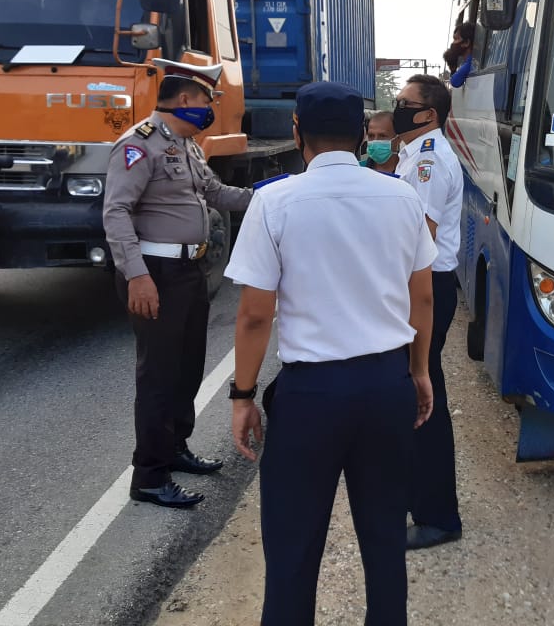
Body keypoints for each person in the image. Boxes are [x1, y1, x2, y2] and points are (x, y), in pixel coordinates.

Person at [226, 82, 436, 626]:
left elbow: (254, 315)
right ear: (365, 136)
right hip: (385, 387)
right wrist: (417, 372)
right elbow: (422, 298)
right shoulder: (403, 197)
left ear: (297, 133)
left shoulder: (274, 202)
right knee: (385, 540)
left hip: (310, 397)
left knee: (293, 550)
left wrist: (243, 395)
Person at [103, 57, 253, 509]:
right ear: (186, 99)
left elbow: (217, 194)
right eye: (208, 99)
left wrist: (279, 195)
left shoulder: (187, 145)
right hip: (156, 275)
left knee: (187, 368)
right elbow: (116, 213)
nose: (211, 108)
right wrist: (137, 277)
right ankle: (149, 475)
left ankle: (175, 448)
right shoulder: (138, 145)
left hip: (190, 272)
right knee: (158, 377)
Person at [392, 73, 465, 549]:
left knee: (424, 399)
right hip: (422, 284)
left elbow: (420, 237)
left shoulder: (429, 161)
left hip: (426, 286)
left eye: (405, 103)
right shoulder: (413, 154)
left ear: (429, 114)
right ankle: (417, 498)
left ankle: (438, 517)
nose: (397, 107)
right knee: (413, 395)